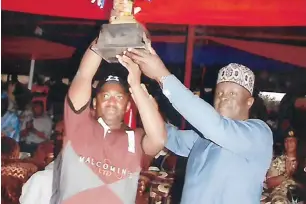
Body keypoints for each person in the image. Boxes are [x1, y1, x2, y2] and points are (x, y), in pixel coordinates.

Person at [124, 49, 273, 204]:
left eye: (232, 94)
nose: (224, 98)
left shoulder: (258, 134)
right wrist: (141, 96)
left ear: (249, 102)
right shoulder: (202, 139)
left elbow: (216, 127)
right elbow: (166, 135)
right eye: (220, 93)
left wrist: (162, 75)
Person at [56, 39, 166, 204]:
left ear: (128, 105)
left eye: (119, 97)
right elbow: (84, 74)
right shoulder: (78, 124)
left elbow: (159, 139)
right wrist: (106, 35)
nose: (112, 102)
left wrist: (135, 85)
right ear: (94, 102)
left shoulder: (135, 138)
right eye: (105, 96)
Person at [265, 129, 298, 204]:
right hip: (281, 194)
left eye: (292, 140)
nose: (289, 143)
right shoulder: (277, 161)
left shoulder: (302, 160)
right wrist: (286, 174)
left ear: (296, 142)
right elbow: (269, 183)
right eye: (286, 141)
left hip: (299, 193)